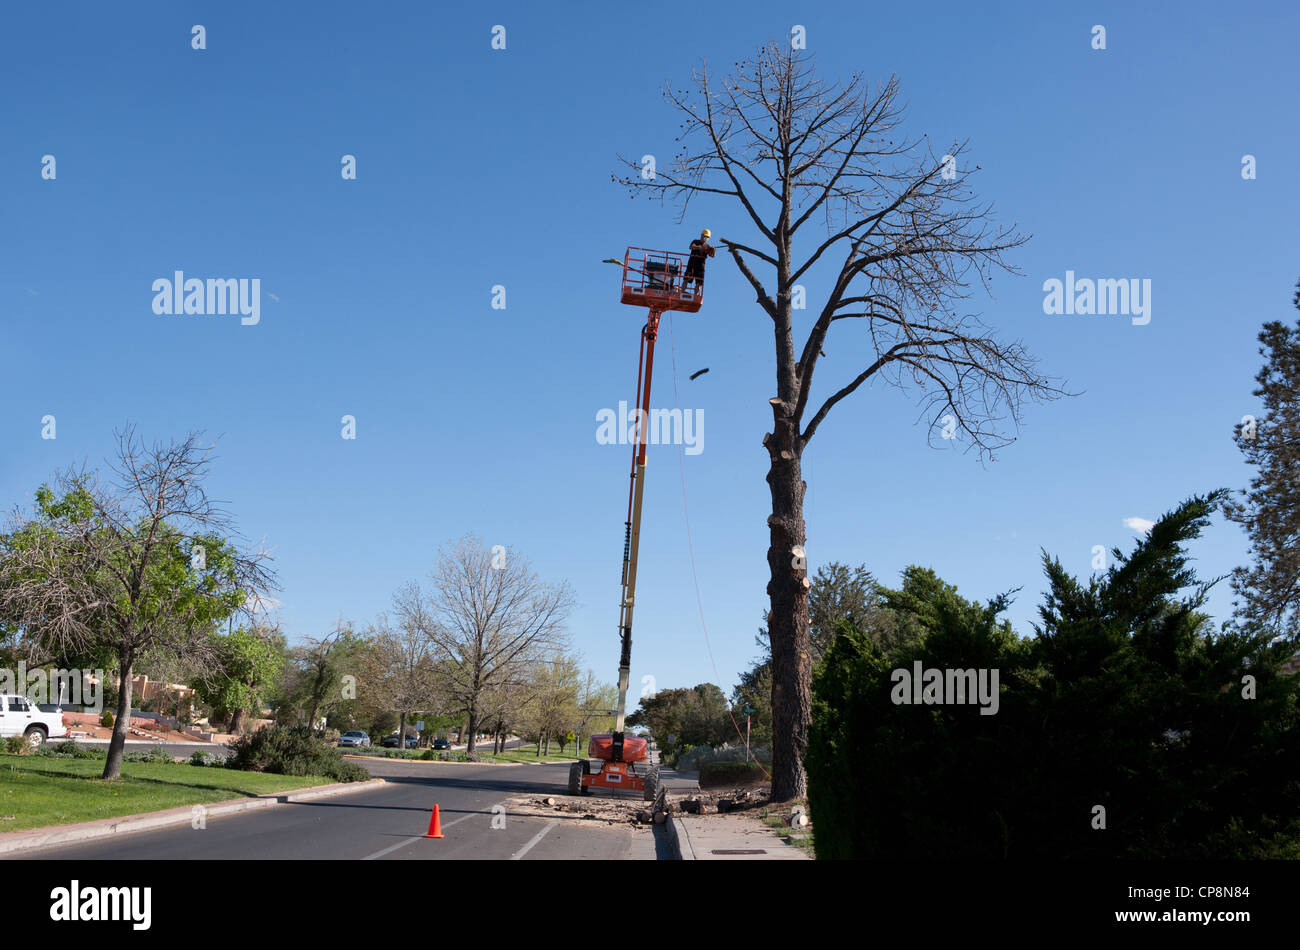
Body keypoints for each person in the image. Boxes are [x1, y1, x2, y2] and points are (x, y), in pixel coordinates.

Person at [684, 228, 715, 296]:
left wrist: (713, 250)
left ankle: (696, 296)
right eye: (705, 236)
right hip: (692, 264)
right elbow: (691, 247)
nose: (706, 238)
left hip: (700, 267)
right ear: (701, 235)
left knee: (699, 283)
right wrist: (699, 247)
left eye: (707, 237)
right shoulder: (695, 242)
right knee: (686, 279)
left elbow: (712, 255)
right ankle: (681, 292)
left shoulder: (707, 246)